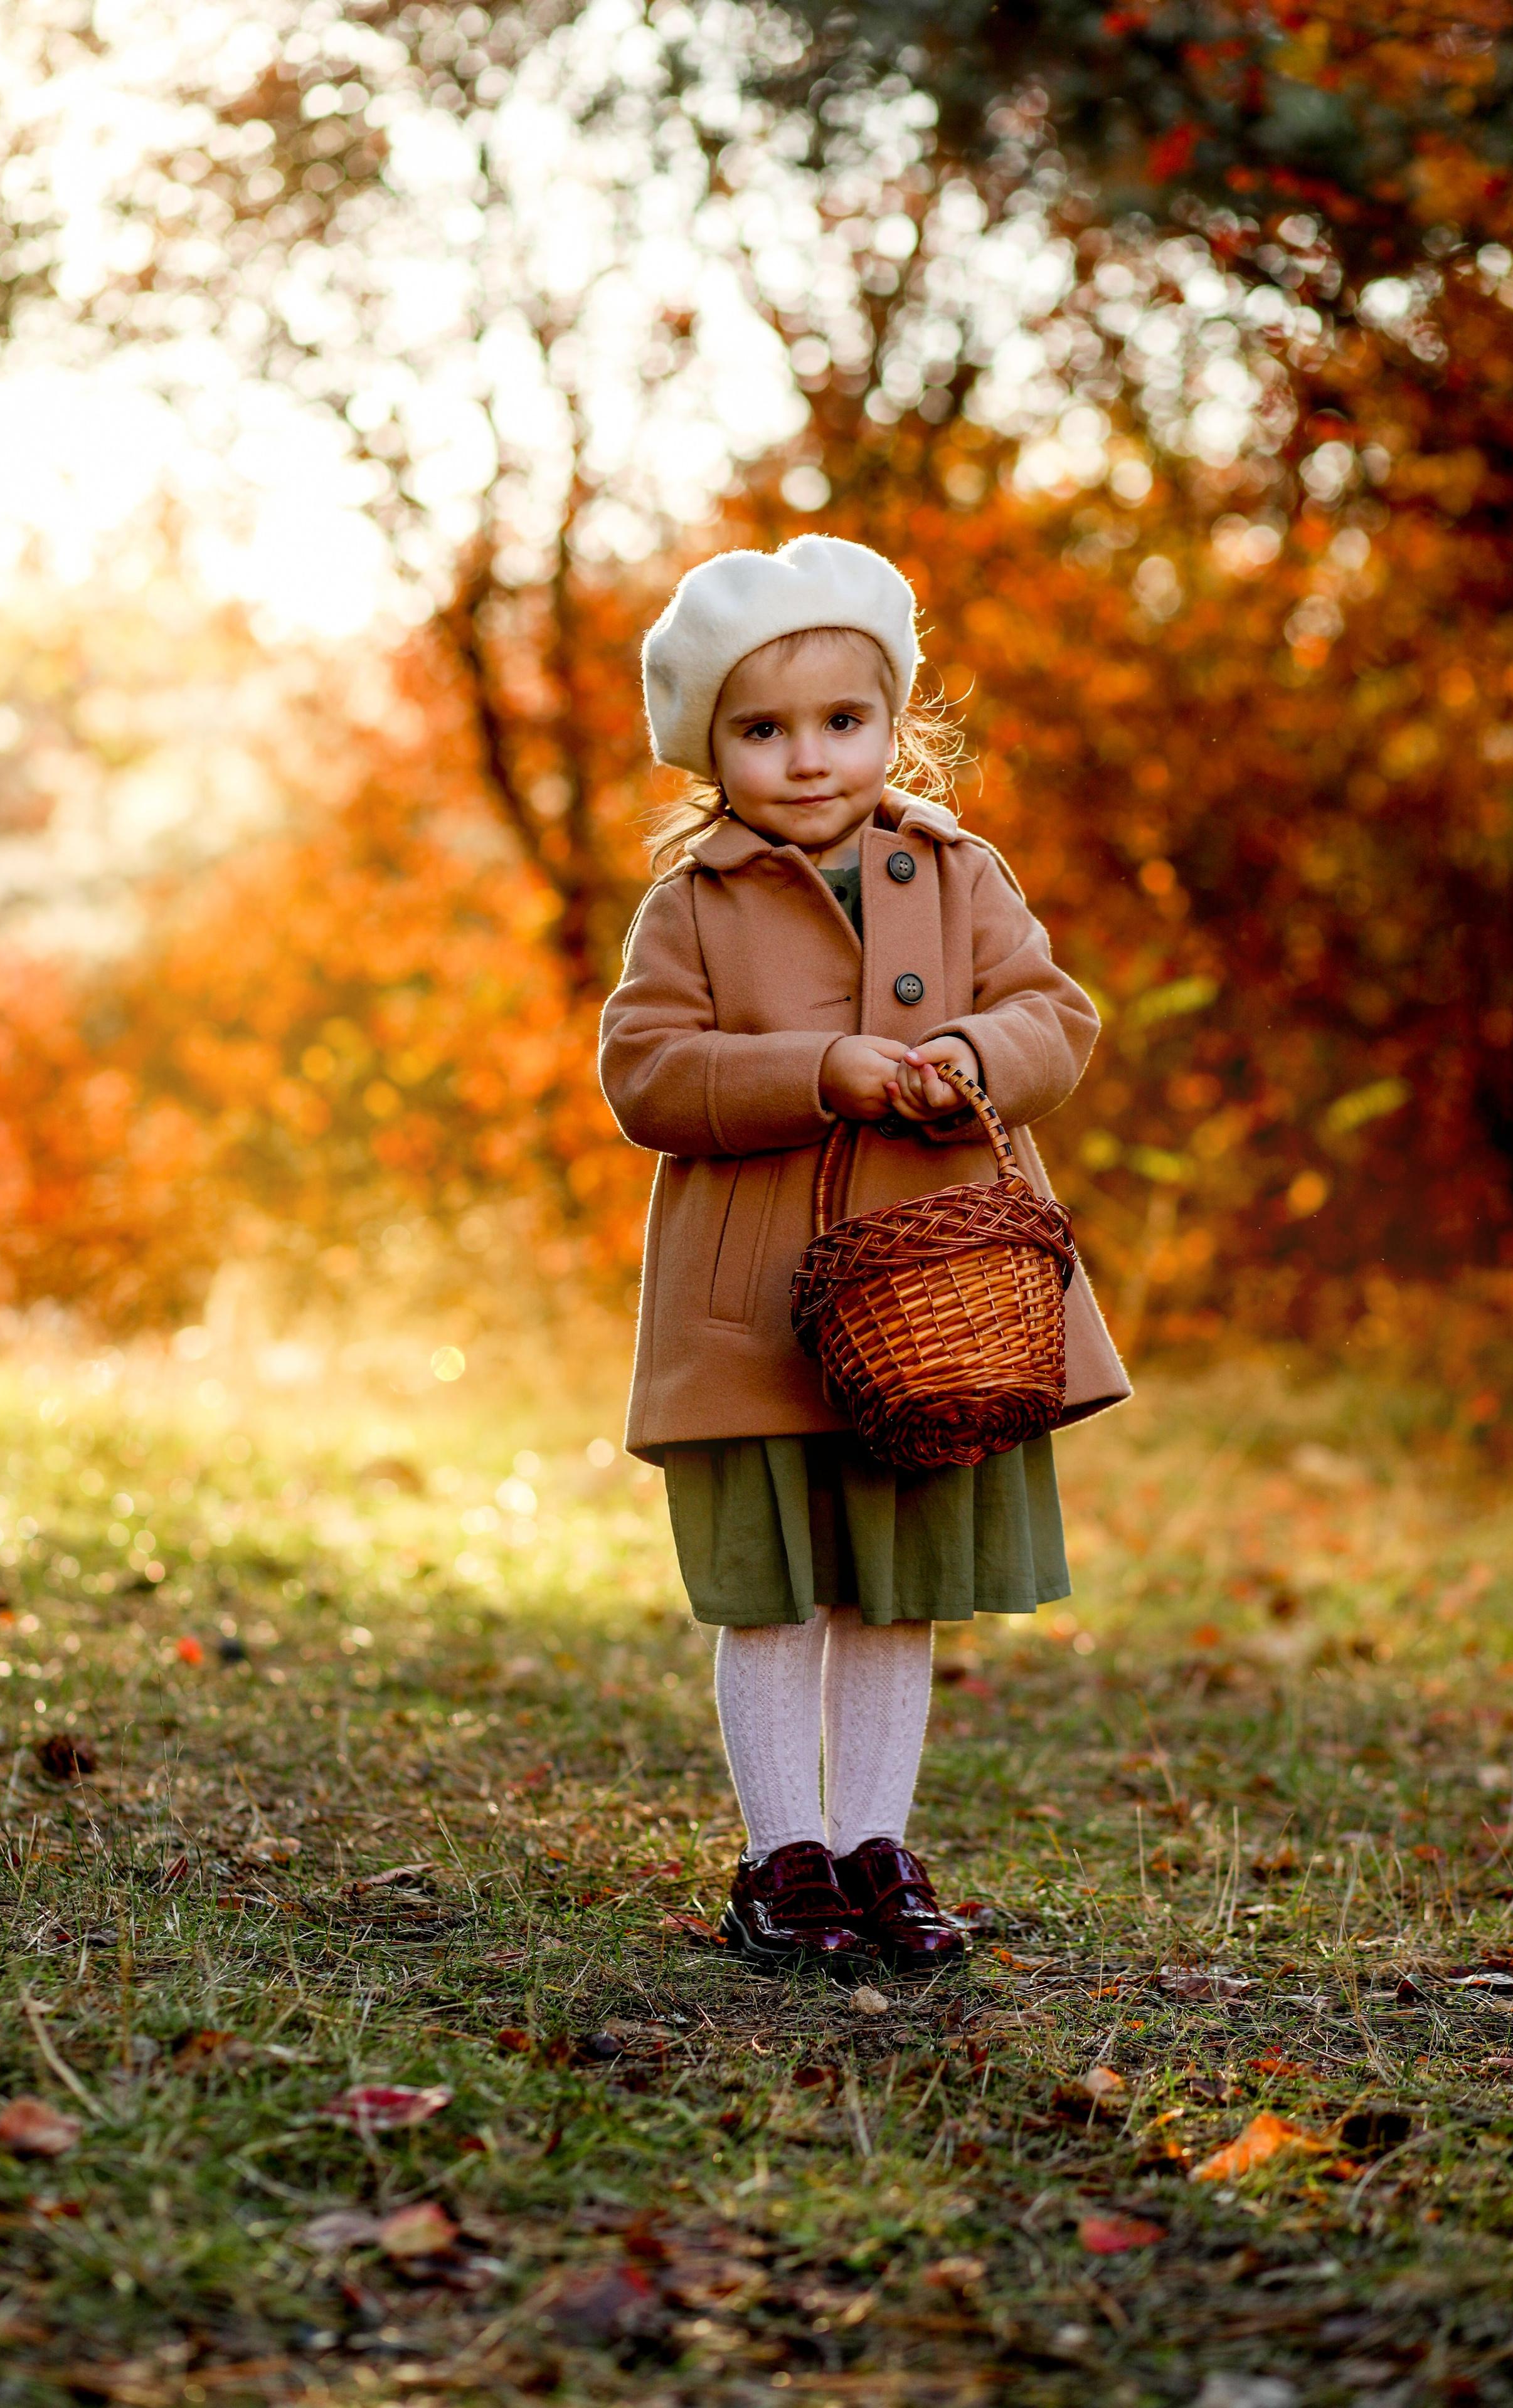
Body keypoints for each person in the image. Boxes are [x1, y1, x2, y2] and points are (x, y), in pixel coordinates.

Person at [599, 534, 1128, 1978]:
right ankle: (784, 1860)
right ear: (709, 747)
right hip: (752, 1303)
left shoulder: (956, 872)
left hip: (933, 1296)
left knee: (895, 1585)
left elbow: (1053, 1017)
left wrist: (965, 1051)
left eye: (841, 721)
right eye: (762, 731)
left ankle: (874, 1847)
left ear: (893, 722)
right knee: (774, 1583)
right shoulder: (690, 905)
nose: (808, 757)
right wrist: (810, 1068)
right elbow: (644, 1074)